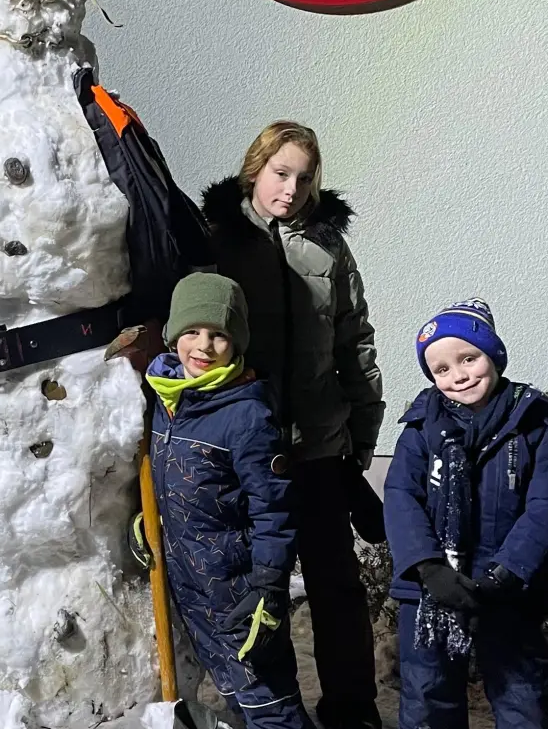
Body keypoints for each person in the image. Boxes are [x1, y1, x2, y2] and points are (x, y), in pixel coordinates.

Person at [201, 121, 384, 729]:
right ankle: (268, 708)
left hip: (319, 444)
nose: (291, 189)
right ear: (255, 169)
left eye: (304, 179)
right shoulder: (218, 239)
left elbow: (355, 340)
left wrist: (361, 434)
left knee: (336, 586)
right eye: (281, 174)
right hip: (244, 448)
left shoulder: (328, 245)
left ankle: (352, 711)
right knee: (257, 585)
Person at [385, 298, 548, 729]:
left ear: (494, 355)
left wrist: (505, 575)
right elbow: (401, 497)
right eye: (441, 369)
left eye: (468, 358)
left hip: (508, 590)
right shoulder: (421, 429)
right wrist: (429, 568)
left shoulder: (533, 425)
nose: (459, 375)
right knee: (429, 696)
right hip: (432, 590)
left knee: (526, 697)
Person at [146, 273, 310, 729]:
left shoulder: (247, 415)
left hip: (239, 593)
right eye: (192, 331)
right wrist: (149, 517)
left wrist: (268, 589)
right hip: (190, 586)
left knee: (269, 704)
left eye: (219, 334)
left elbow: (274, 510)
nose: (204, 346)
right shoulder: (165, 398)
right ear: (173, 335)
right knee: (235, 695)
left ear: (237, 343)